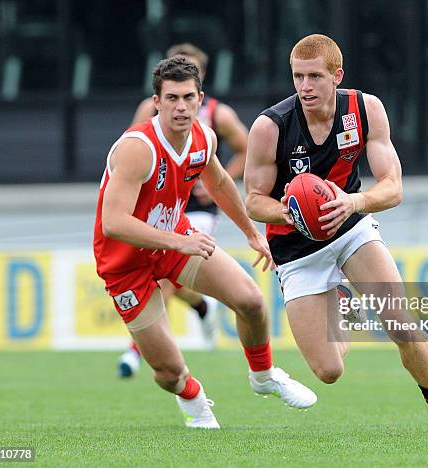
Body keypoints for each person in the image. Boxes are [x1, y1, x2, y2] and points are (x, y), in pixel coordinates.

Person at [244, 34, 428, 437]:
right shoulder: (270, 126)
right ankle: (342, 302)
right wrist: (293, 213)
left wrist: (353, 203)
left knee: (398, 321)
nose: (305, 86)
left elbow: (393, 186)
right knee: (328, 371)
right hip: (294, 249)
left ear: (336, 75)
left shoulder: (365, 109)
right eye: (298, 76)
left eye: (314, 76)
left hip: (351, 228)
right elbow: (254, 201)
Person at [93, 56, 317, 429]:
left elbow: (219, 183)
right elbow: (113, 223)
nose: (181, 107)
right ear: (157, 102)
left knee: (250, 300)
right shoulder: (137, 148)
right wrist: (178, 242)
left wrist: (250, 233)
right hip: (124, 262)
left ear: (201, 98)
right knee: (167, 372)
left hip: (174, 241)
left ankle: (263, 376)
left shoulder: (204, 136)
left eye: (188, 97)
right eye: (172, 98)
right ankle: (193, 397)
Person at [118, 44, 249, 377]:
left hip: (196, 207)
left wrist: (217, 179)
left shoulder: (218, 115)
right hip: (155, 207)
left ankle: (135, 351)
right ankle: (202, 307)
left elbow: (246, 150)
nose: (180, 102)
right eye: (172, 92)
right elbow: (127, 150)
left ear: (201, 82)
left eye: (189, 86)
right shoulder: (147, 112)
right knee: (171, 279)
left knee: (165, 278)